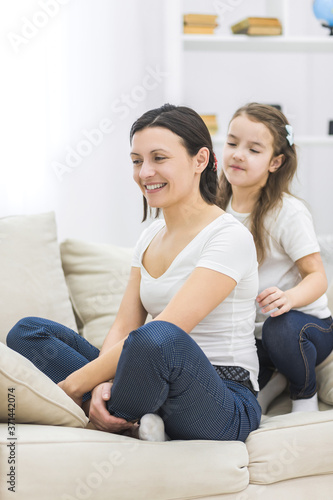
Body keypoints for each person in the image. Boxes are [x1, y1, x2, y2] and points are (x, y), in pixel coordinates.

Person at [7, 103, 261, 441]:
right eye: (137, 161)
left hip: (222, 399)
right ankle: (125, 411)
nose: (144, 173)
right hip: (145, 378)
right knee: (28, 332)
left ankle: (102, 410)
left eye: (159, 158)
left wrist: (71, 386)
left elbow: (167, 329)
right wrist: (103, 383)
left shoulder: (229, 236)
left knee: (158, 336)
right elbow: (124, 325)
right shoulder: (149, 237)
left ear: (200, 160)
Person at [217, 102, 333, 414]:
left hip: (305, 327)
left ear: (275, 161)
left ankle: (303, 394)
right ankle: (276, 377)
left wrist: (289, 298)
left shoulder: (287, 212)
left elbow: (317, 277)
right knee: (238, 397)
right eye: (232, 143)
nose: (238, 154)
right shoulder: (214, 208)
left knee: (278, 328)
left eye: (254, 149)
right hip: (252, 340)